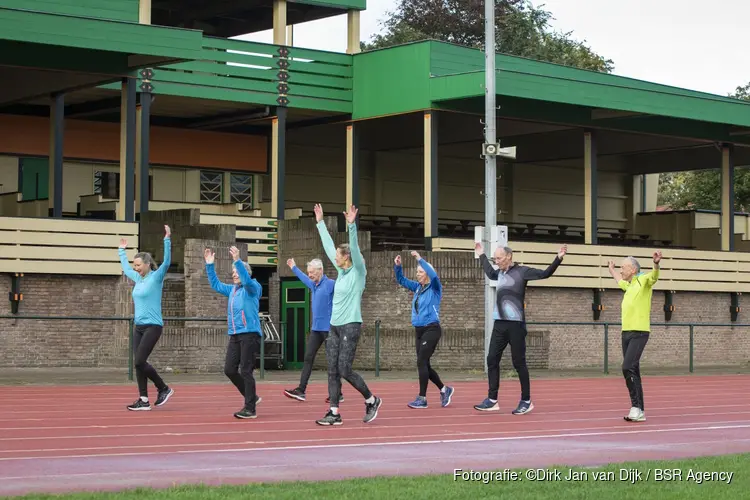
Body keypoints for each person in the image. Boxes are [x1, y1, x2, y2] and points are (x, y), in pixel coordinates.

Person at [473, 242, 567, 415]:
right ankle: (492, 400)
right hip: (499, 323)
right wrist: (482, 255)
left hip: (516, 324)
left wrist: (558, 258)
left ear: (509, 256)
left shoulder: (522, 272)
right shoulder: (499, 273)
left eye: (499, 258)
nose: (497, 261)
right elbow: (489, 272)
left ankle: (526, 400)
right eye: (495, 258)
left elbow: (545, 274)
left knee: (519, 363)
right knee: (492, 359)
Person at [313, 203, 382, 426]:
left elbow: (355, 249)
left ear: (346, 257)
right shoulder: (341, 272)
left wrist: (351, 226)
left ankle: (371, 400)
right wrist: (320, 223)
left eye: (338, 256)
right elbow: (328, 245)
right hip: (334, 325)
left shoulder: (358, 271)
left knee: (344, 369)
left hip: (351, 325)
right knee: (332, 369)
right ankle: (334, 412)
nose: (335, 257)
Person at [118, 225, 174, 411]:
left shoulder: (156, 277)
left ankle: (163, 388)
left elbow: (166, 262)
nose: (136, 268)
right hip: (139, 326)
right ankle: (143, 399)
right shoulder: (137, 278)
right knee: (138, 364)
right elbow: (126, 268)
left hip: (153, 326)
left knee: (140, 361)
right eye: (135, 266)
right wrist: (121, 251)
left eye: (139, 265)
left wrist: (167, 240)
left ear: (147, 264)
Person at [204, 245, 264, 419]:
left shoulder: (253, 288)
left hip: (250, 334)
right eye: (233, 272)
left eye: (237, 271)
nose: (234, 274)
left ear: (245, 273)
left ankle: (250, 408)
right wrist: (209, 265)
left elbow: (246, 281)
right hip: (235, 335)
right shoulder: (232, 290)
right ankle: (252, 397)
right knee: (230, 370)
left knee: (245, 371)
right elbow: (215, 284)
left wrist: (237, 260)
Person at [394, 250, 454, 409]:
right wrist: (398, 266)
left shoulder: (435, 287)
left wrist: (420, 259)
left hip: (432, 329)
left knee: (421, 361)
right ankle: (444, 389)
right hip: (419, 330)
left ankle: (422, 398)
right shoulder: (418, 288)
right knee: (424, 364)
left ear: (426, 273)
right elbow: (400, 280)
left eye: (420, 272)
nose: (417, 274)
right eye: (417, 272)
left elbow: (434, 275)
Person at [608, 251, 662, 423]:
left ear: (632, 269)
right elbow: (619, 281)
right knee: (634, 370)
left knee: (627, 367)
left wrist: (656, 264)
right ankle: (639, 410)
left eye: (623, 267)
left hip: (640, 332)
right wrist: (612, 270)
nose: (621, 270)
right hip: (626, 332)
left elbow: (654, 277)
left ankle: (636, 407)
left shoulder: (643, 280)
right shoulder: (629, 285)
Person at [283, 257, 342, 403]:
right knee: (308, 357)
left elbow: (345, 293)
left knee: (332, 362)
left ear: (320, 271)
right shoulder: (313, 285)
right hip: (316, 330)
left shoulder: (331, 284)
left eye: (312, 272)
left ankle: (337, 394)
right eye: (308, 272)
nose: (309, 275)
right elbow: (303, 278)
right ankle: (301, 390)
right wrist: (294, 267)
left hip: (329, 330)